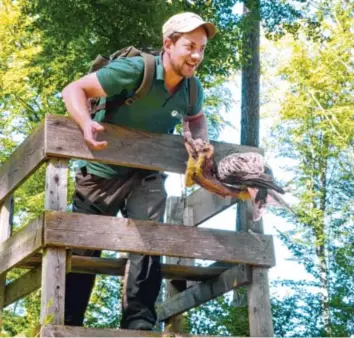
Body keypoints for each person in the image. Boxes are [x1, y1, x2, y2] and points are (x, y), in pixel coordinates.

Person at [61, 12, 216, 331]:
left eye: (201, 48)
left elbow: (196, 117)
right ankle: (69, 320)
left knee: (149, 238)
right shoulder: (135, 71)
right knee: (83, 244)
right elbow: (73, 90)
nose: (197, 55)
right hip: (101, 172)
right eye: (190, 46)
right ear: (168, 44)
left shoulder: (191, 89)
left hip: (146, 172)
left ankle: (139, 320)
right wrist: (85, 122)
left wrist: (199, 142)